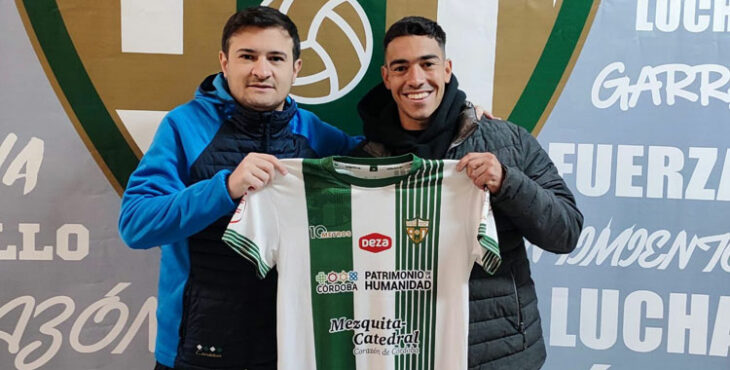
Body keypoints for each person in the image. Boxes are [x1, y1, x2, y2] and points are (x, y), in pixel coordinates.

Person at [118, 7, 360, 370]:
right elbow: (136, 225)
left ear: (295, 68)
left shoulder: (317, 134)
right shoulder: (184, 126)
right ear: (224, 62)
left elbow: (390, 166)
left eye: (275, 58)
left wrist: (466, 121)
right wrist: (225, 188)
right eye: (248, 56)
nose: (261, 70)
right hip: (199, 349)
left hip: (293, 350)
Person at [352, 16, 584, 369]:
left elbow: (566, 231)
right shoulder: (363, 160)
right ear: (387, 77)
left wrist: (508, 182)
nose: (415, 79)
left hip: (499, 353)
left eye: (427, 64)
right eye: (401, 68)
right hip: (401, 350)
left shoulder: (507, 141)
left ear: (446, 69)